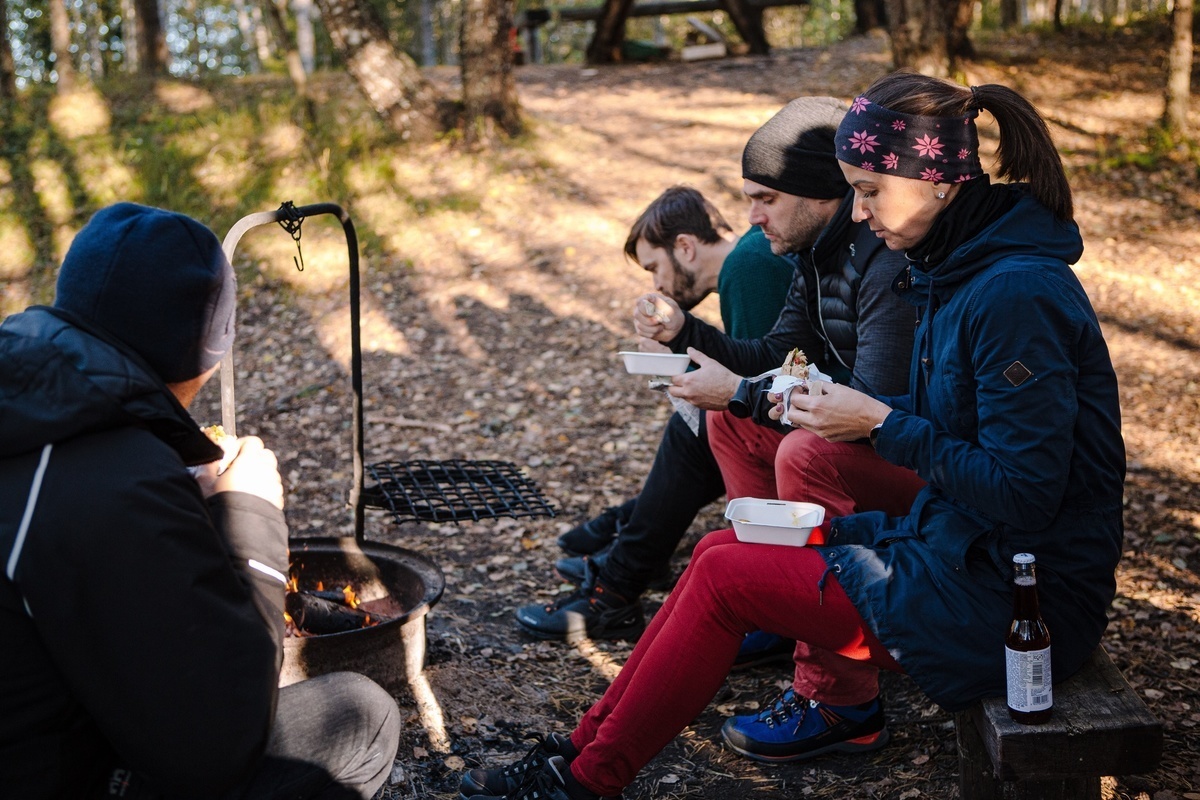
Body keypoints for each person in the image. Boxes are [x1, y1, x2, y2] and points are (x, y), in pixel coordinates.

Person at [456, 71, 1124, 800]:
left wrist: (878, 422)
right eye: (854, 190)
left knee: (723, 578)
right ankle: (577, 752)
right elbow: (952, 429)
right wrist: (850, 411)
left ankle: (585, 781)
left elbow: (1025, 494)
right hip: (962, 550)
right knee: (722, 547)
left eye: (870, 189)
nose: (860, 211)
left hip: (1022, 602)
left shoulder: (1012, 293)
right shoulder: (957, 269)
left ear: (936, 179)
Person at [0, 203, 401, 799]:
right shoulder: (126, 484)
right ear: (204, 356)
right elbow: (219, 743)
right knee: (362, 716)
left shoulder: (34, 416)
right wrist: (252, 518)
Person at [516, 97, 917, 665]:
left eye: (765, 199)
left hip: (906, 458)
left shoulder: (842, 262)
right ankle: (746, 586)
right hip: (853, 438)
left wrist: (735, 392)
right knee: (719, 423)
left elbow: (863, 404)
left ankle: (818, 666)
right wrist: (684, 331)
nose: (752, 217)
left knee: (751, 435)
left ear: (819, 190)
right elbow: (775, 353)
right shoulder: (814, 256)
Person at [518, 185, 794, 641]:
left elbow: (764, 379)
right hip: (793, 416)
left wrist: (683, 357)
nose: (656, 285)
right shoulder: (747, 258)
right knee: (699, 427)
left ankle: (621, 574)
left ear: (685, 246)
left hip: (808, 428)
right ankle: (626, 548)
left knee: (696, 431)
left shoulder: (748, 267)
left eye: (655, 268)